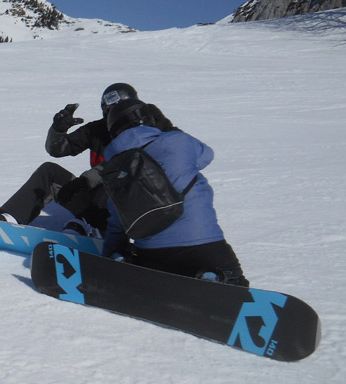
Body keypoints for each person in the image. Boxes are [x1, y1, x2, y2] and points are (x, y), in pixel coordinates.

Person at [0, 83, 173, 234]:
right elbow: (57, 149)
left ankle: (97, 230)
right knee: (49, 172)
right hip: (95, 199)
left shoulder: (148, 131)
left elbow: (125, 167)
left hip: (134, 209)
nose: (111, 115)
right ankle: (9, 218)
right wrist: (58, 129)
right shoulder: (97, 129)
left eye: (117, 109)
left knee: (115, 179)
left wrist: (86, 180)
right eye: (107, 109)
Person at [100, 98, 249, 286]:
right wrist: (167, 130)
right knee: (237, 284)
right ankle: (215, 277)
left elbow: (116, 223)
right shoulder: (178, 142)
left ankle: (128, 264)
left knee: (142, 259)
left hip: (152, 253)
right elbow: (206, 155)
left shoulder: (113, 169)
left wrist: (108, 258)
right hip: (203, 244)